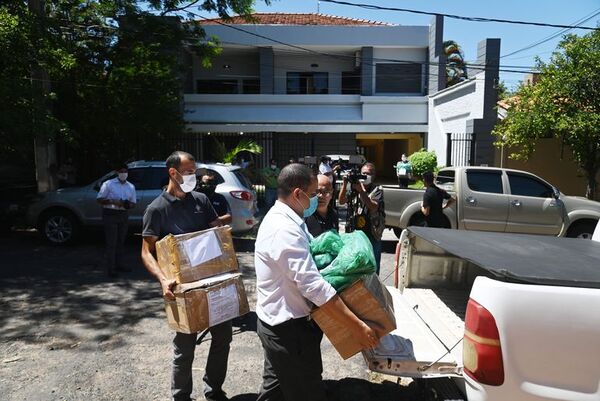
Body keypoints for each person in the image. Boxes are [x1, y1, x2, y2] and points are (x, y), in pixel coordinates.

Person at [254, 163, 380, 401]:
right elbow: (314, 287)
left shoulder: (290, 218)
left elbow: (312, 256)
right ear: (297, 194)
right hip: (288, 331)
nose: (317, 198)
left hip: (279, 324)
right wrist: (357, 326)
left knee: (275, 390)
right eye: (313, 194)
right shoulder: (283, 229)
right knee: (307, 392)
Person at [141, 151, 231, 401]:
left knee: (223, 337)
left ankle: (214, 391)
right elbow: (146, 252)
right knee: (185, 346)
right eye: (190, 172)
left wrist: (224, 235)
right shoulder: (156, 209)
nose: (195, 177)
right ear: (173, 172)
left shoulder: (201, 200)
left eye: (194, 172)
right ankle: (180, 396)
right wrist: (162, 279)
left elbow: (216, 232)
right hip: (182, 288)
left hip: (213, 282)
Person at [338, 162, 385, 274]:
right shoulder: (355, 187)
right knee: (356, 264)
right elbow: (341, 201)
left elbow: (372, 206)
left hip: (372, 233)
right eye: (363, 173)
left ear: (374, 175)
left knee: (373, 265)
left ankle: (374, 287)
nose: (365, 176)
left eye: (368, 174)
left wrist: (361, 191)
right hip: (356, 231)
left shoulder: (377, 189)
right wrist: (345, 184)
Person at [96, 163, 136, 277]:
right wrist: (113, 201)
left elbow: (133, 203)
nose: (123, 174)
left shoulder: (130, 186)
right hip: (110, 214)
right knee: (111, 242)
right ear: (117, 172)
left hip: (123, 214)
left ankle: (120, 264)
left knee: (120, 241)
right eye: (121, 171)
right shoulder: (108, 184)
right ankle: (111, 268)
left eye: (125, 171)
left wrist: (127, 204)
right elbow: (99, 199)